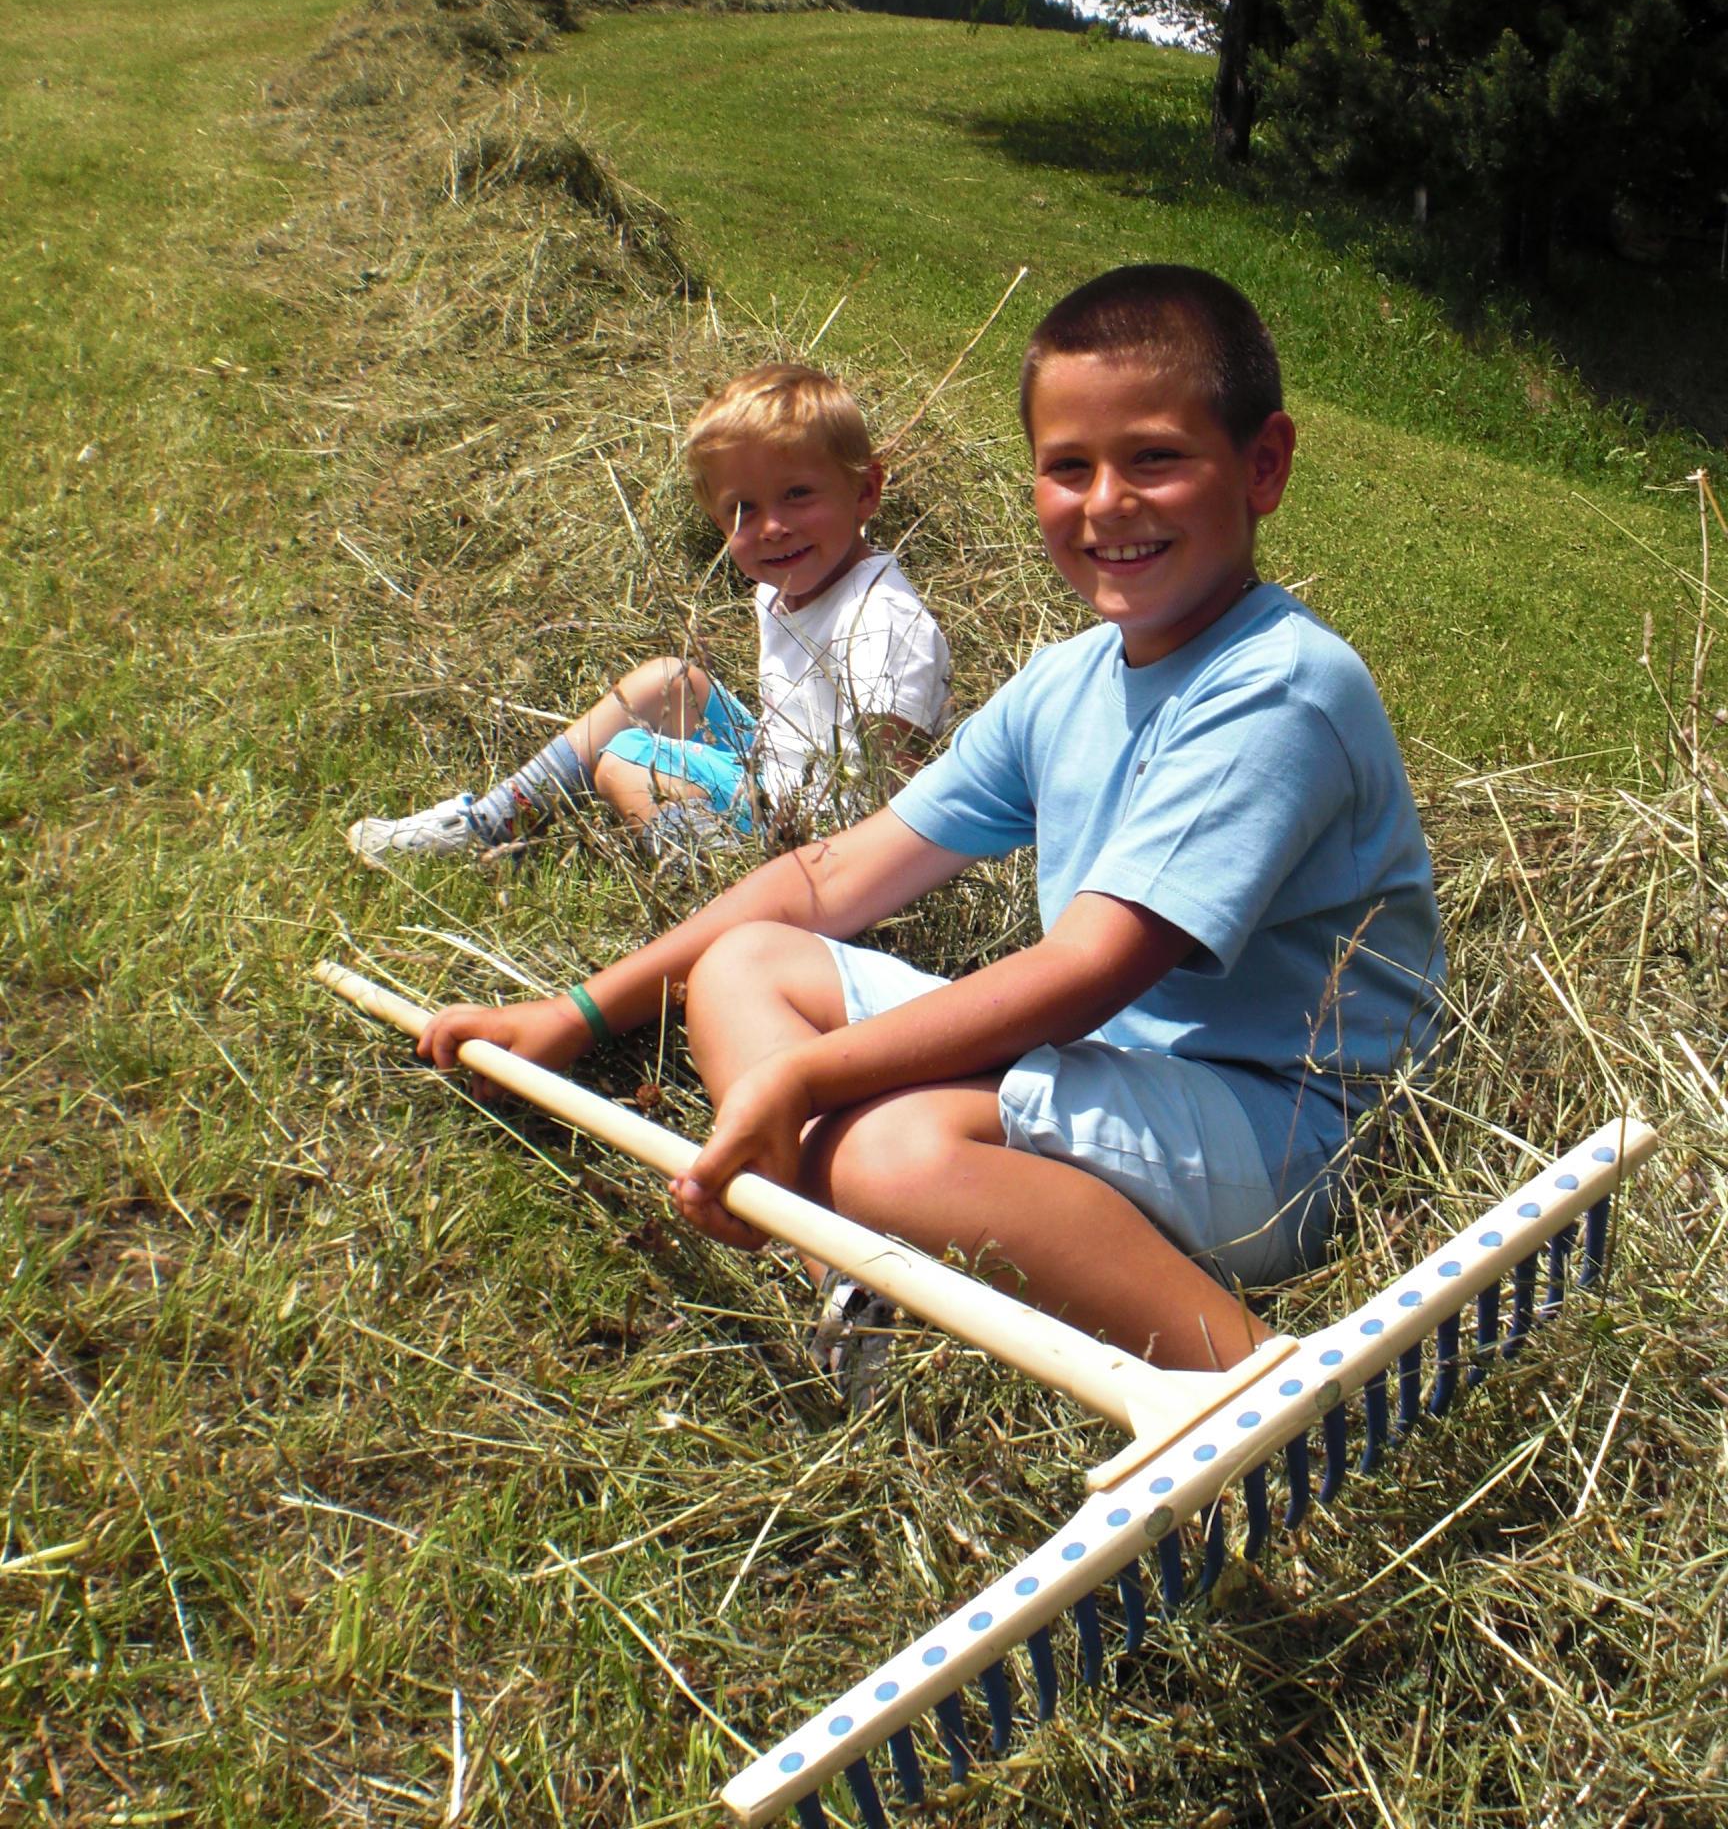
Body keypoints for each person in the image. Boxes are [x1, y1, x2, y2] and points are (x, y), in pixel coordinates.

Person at [419, 267, 1444, 1380]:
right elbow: (829, 877)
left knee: (891, 1146)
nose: (1105, 504)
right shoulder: (1069, 682)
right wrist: (576, 1014)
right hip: (1121, 1078)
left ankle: (1251, 1380)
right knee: (744, 964)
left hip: (1285, 1134)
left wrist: (809, 1081)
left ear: (1264, 466)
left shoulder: (1276, 689)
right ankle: (856, 1281)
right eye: (1067, 467)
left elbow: (1089, 971)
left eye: (1155, 458)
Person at [349, 363, 952, 866]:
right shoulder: (781, 588)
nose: (771, 526)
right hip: (779, 775)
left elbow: (887, 804)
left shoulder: (883, 624)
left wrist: (798, 868)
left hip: (816, 842)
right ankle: (496, 819)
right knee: (667, 681)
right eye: (742, 509)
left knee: (629, 760)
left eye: (798, 494)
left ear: (866, 491)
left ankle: (717, 879)